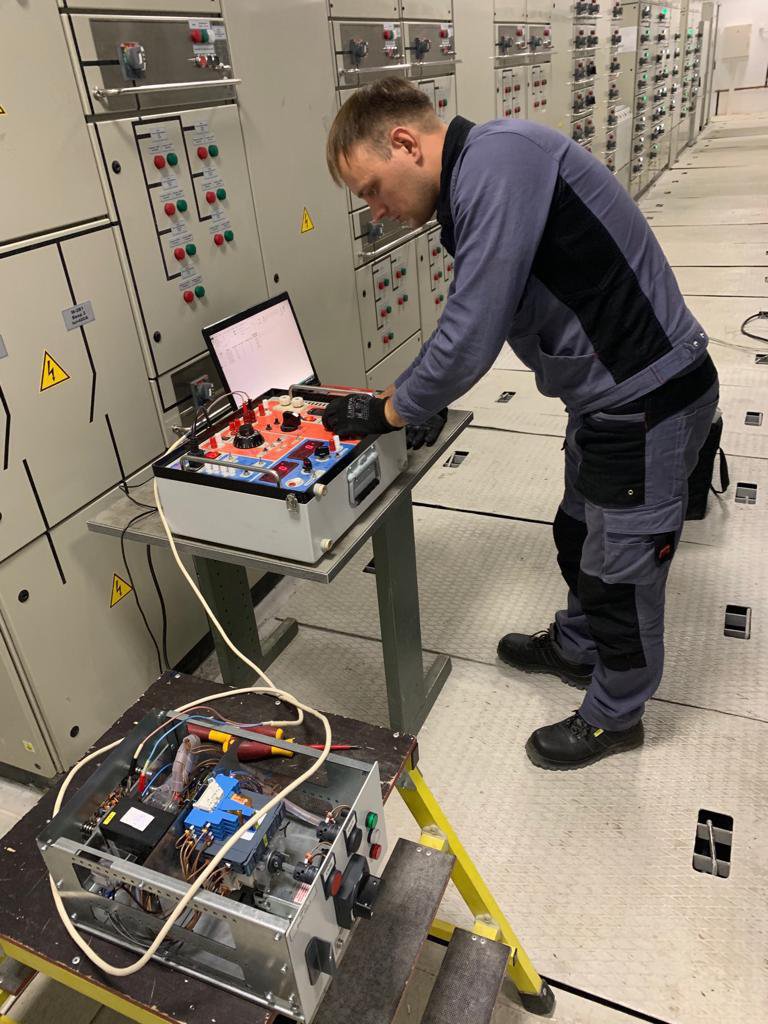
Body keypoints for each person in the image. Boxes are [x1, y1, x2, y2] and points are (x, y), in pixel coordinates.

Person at [321, 79, 719, 771]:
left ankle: (616, 716)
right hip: (605, 403)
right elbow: (488, 311)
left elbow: (472, 329)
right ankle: (578, 647)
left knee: (622, 576)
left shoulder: (498, 160)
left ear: (406, 143)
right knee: (579, 533)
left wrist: (389, 410)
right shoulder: (480, 178)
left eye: (372, 190)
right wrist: (417, 394)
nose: (377, 212)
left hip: (647, 401)